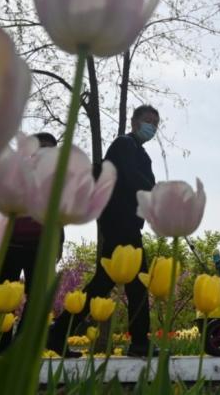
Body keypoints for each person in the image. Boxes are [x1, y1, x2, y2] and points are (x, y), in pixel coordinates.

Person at [47, 105, 159, 357]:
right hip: (119, 222)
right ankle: (140, 342)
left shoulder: (141, 153)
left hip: (127, 223)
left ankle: (57, 334)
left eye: (156, 123)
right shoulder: (123, 145)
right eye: (147, 120)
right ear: (134, 121)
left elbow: (145, 185)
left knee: (103, 283)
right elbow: (131, 178)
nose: (151, 126)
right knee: (138, 282)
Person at [0, 132, 66, 354]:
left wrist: (58, 243)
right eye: (42, 147)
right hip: (10, 245)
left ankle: (21, 344)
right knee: (2, 298)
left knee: (37, 299)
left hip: (40, 248)